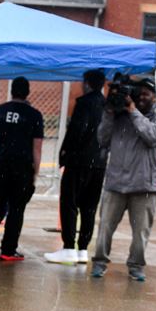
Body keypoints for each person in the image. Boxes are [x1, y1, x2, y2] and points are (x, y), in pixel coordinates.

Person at [90, 77, 156, 282]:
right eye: (139, 93)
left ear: (155, 96)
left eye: (146, 94)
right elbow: (102, 139)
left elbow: (153, 137)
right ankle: (99, 262)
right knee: (105, 227)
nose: (141, 97)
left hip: (144, 185)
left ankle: (136, 265)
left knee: (140, 232)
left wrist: (133, 111)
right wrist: (109, 113)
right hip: (116, 182)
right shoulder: (119, 114)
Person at [0, 76, 44, 262]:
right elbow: (37, 148)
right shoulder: (34, 116)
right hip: (22, 168)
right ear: (27, 92)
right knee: (16, 209)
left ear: (12, 90)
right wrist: (35, 173)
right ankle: (8, 249)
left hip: (0, 166)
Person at [45, 69, 107, 265]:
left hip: (79, 161)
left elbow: (76, 131)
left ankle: (69, 246)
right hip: (99, 163)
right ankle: (83, 249)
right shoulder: (108, 106)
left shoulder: (84, 104)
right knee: (89, 207)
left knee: (69, 204)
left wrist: (65, 154)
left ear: (87, 83)